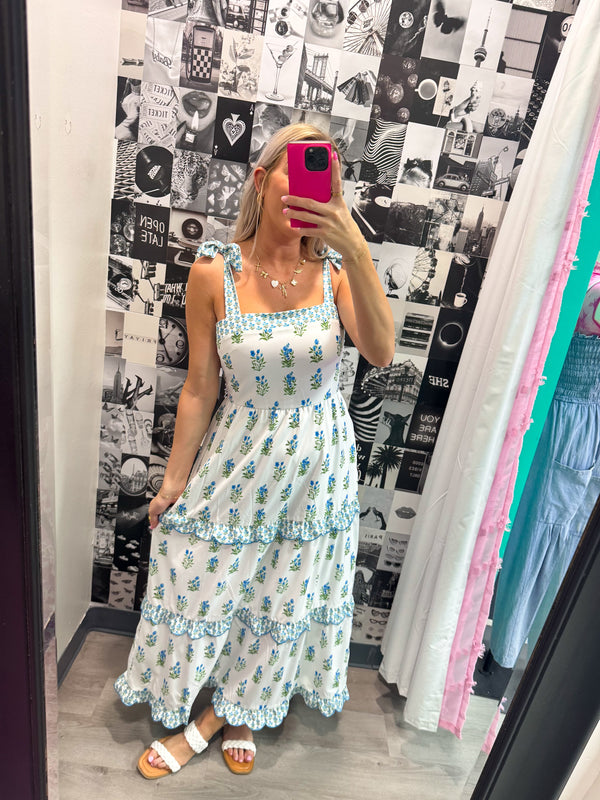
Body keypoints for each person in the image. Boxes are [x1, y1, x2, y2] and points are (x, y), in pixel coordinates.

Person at [114, 123, 395, 779]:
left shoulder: (335, 273)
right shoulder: (213, 272)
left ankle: (224, 716)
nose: (312, 193)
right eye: (300, 173)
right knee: (211, 574)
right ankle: (229, 702)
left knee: (282, 593)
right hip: (240, 458)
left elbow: (381, 352)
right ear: (262, 180)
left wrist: (355, 247)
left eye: (327, 181)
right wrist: (173, 482)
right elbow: (199, 386)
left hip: (320, 463)